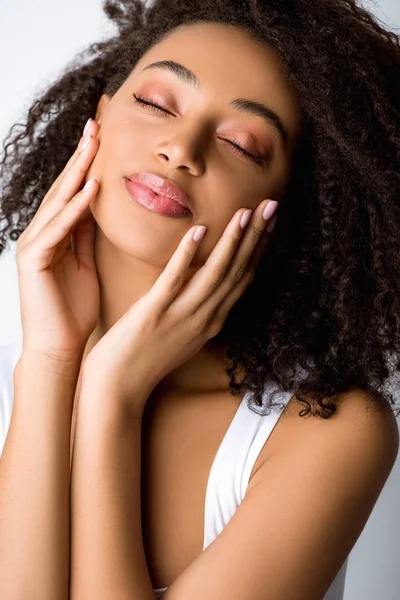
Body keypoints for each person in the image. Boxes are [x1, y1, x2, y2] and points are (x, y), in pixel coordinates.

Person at [0, 1, 399, 598]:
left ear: (288, 209)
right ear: (98, 120)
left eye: (242, 144)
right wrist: (53, 365)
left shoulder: (328, 430)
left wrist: (114, 394)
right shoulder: (25, 369)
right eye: (158, 104)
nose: (181, 147)